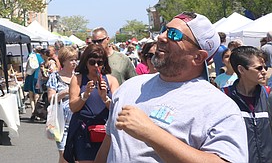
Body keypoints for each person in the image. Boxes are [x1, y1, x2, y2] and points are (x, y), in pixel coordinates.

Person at [94, 12, 247, 163]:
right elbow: (110, 146)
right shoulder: (129, 88)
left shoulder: (219, 107)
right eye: (164, 30)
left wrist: (151, 133)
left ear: (198, 57)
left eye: (174, 34)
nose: (161, 37)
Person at [64, 44, 119, 163]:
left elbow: (117, 110)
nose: (96, 66)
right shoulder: (78, 79)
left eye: (99, 63)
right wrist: (85, 95)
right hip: (84, 130)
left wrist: (105, 98)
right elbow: (73, 107)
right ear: (85, 62)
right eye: (92, 62)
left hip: (105, 130)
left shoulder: (111, 80)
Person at [221, 46, 272, 163]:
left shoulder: (268, 95)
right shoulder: (224, 97)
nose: (264, 71)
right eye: (259, 68)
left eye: (265, 67)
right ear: (241, 70)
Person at [47, 46, 78, 163]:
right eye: (71, 59)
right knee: (64, 155)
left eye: (75, 59)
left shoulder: (79, 76)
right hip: (62, 122)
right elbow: (51, 98)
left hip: (78, 121)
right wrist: (65, 92)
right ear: (63, 61)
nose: (74, 62)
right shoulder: (55, 77)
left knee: (77, 156)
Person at [23, 46, 45, 111]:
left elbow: (27, 67)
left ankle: (33, 110)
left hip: (30, 76)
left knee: (31, 95)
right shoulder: (41, 58)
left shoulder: (31, 56)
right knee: (37, 95)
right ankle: (36, 111)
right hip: (38, 77)